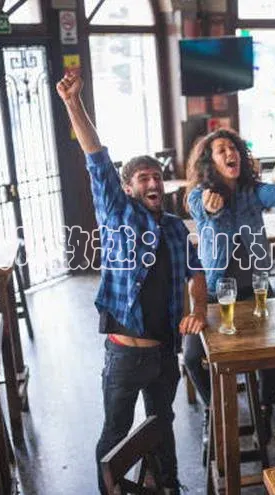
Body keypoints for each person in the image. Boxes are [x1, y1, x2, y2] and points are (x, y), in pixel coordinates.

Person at [56, 74, 209, 494]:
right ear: (126, 188)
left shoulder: (177, 229)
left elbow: (198, 274)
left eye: (156, 176)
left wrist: (198, 310)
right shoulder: (118, 215)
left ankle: (171, 487)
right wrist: (74, 104)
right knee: (117, 434)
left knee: (163, 427)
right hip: (125, 354)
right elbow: (96, 156)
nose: (152, 182)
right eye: (142, 177)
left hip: (164, 353)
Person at [185, 129, 275, 434]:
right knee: (193, 356)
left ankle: (264, 405)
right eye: (221, 150)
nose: (230, 153)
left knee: (273, 354)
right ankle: (213, 408)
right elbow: (200, 207)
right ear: (210, 161)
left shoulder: (250, 191)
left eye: (233, 148)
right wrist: (210, 206)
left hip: (255, 290)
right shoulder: (200, 193)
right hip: (216, 294)